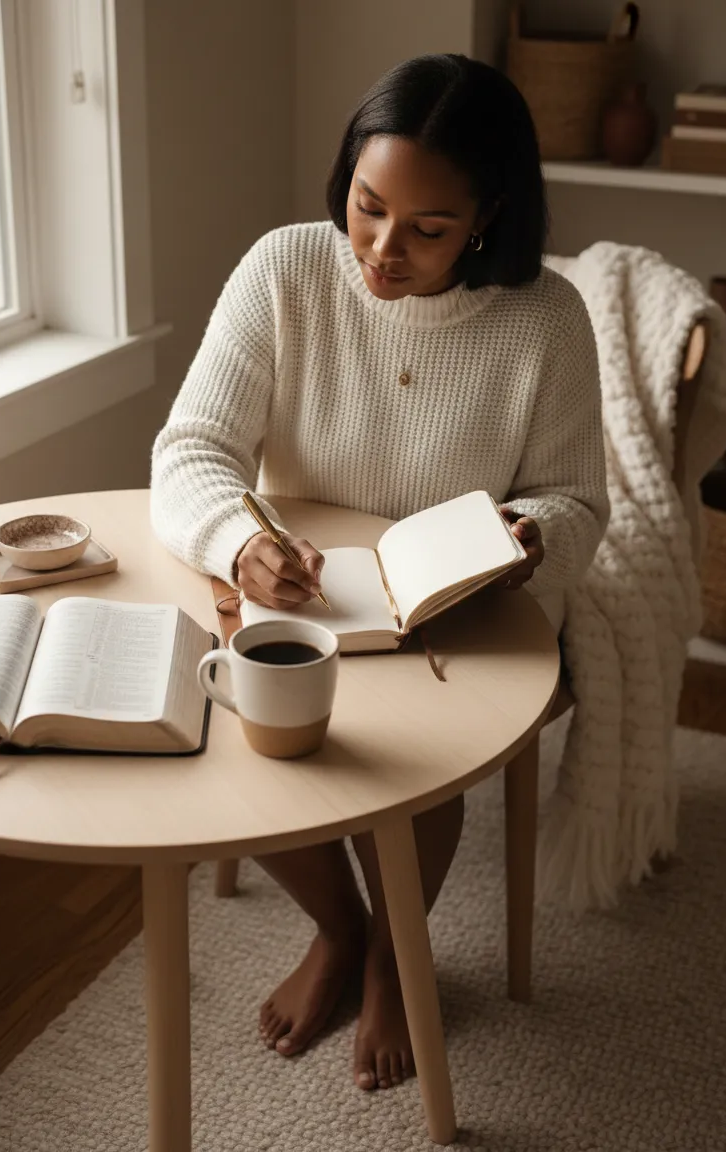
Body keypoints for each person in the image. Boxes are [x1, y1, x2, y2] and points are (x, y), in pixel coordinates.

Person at [150, 53, 608, 1092]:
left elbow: (578, 503)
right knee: (232, 740)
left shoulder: (545, 319)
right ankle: (343, 929)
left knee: (411, 766)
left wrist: (529, 535)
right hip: (299, 597)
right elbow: (190, 450)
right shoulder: (285, 270)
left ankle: (398, 956)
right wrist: (238, 541)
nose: (382, 252)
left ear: (488, 218)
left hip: (456, 616)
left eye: (427, 229)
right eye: (366, 208)